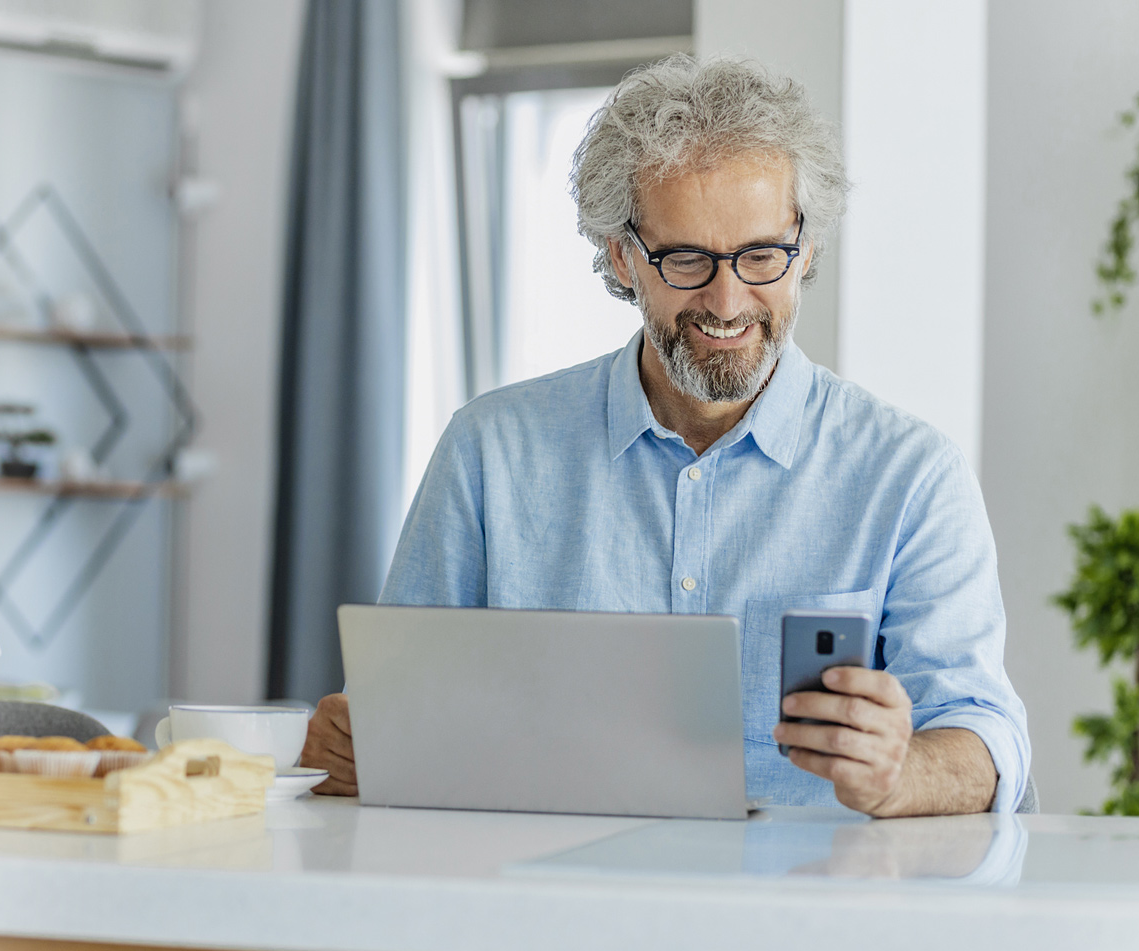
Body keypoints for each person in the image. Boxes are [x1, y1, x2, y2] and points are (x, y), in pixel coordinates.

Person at [301, 55, 1030, 816]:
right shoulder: (491, 452)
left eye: (761, 256)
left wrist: (901, 772)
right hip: (549, 911)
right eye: (686, 259)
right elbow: (397, 723)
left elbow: (986, 736)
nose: (727, 299)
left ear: (805, 250)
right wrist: (358, 748)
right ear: (623, 256)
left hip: (806, 917)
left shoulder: (910, 475)